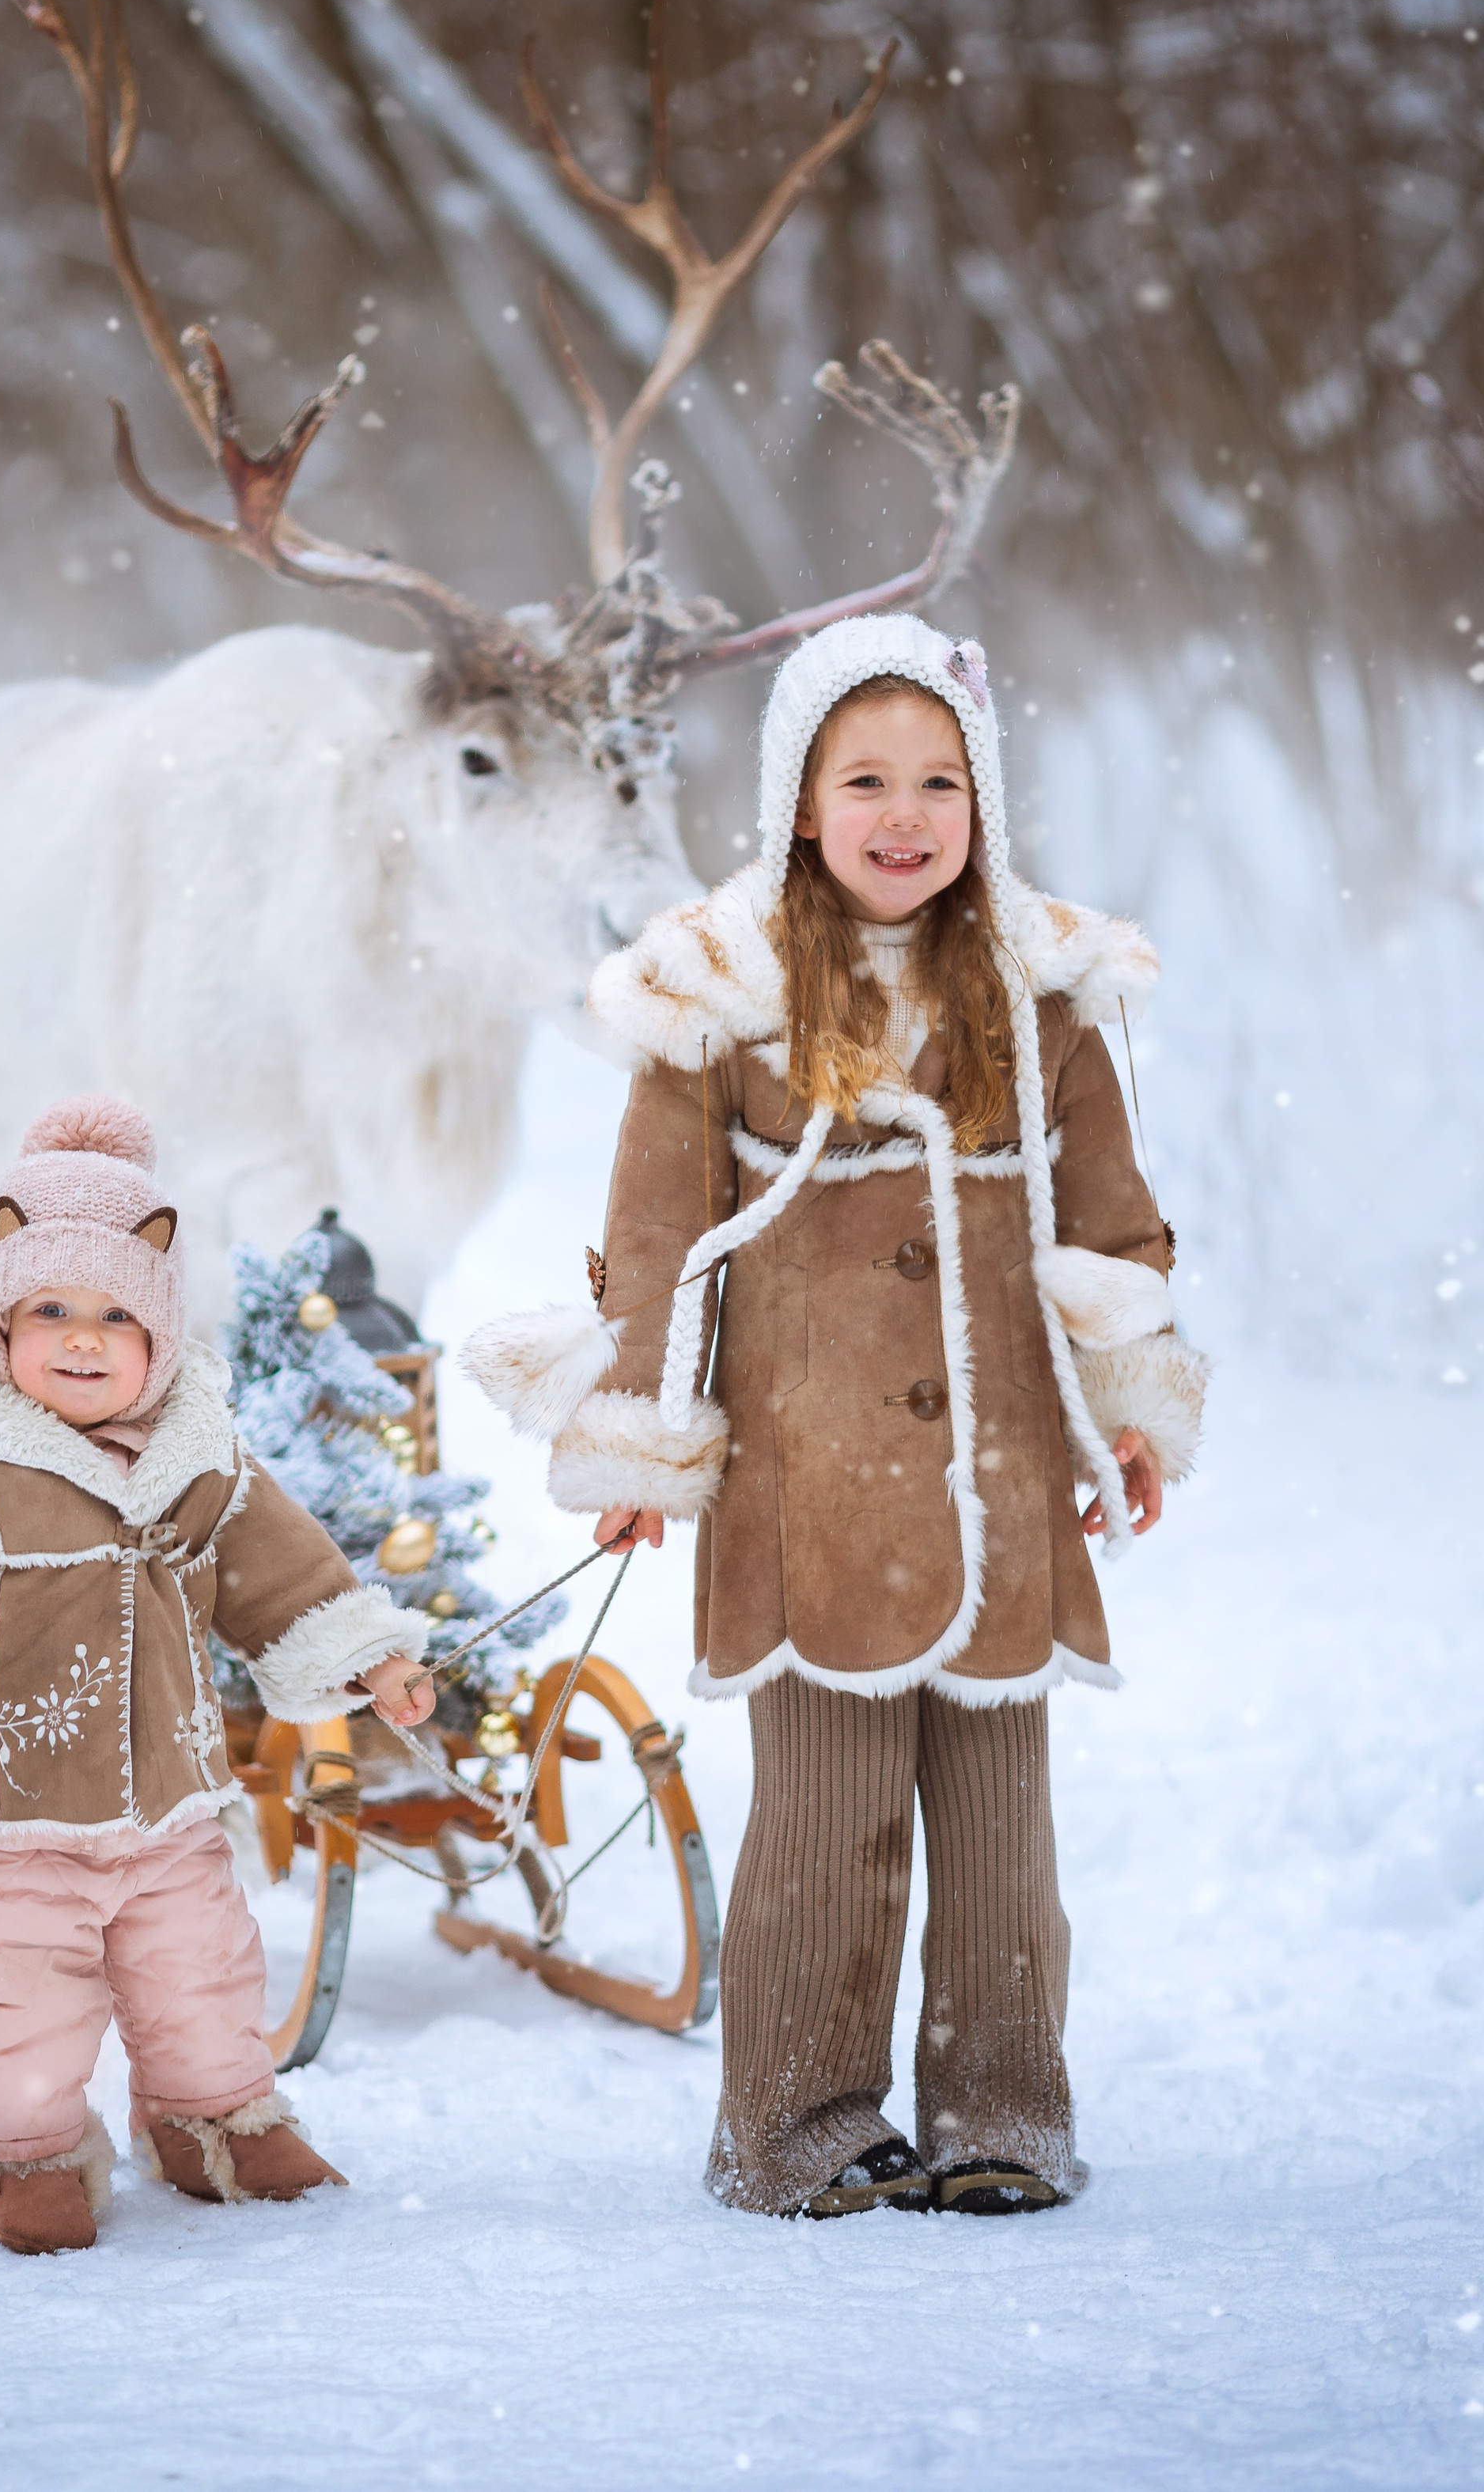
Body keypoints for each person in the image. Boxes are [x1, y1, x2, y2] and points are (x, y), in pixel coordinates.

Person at [465, 615, 1207, 2219]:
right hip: (806, 1486)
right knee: (823, 1825)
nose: (902, 810)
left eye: (938, 778)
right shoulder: (722, 1005)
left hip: (996, 1480)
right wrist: (643, 1447)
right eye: (863, 777)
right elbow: (657, 1240)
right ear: (798, 802)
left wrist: (1125, 1408)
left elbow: (1110, 1231)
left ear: (978, 801)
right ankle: (796, 2117)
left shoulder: (1036, 999)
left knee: (1003, 1840)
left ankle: (1001, 2108)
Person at [0, 1096, 433, 2256]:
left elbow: (279, 1563)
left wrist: (363, 1655)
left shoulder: (195, 1446)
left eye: (118, 1314)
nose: (82, 1338)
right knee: (23, 1998)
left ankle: (215, 2118)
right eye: (51, 1310)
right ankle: (25, 2160)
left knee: (202, 1978)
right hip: (6, 1808)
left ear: (161, 1330)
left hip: (170, 1802)